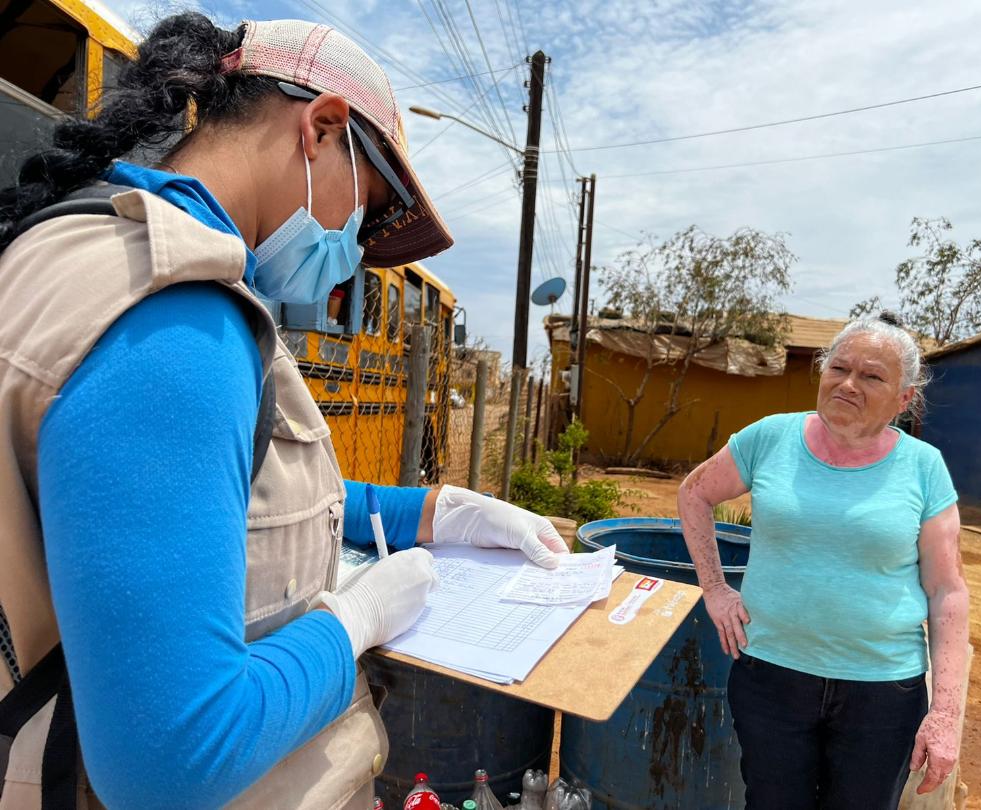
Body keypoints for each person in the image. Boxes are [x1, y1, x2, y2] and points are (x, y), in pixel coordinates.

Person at [0, 14, 567, 809]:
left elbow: (232, 499)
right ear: (322, 128)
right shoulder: (175, 327)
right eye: (363, 216)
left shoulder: (82, 248)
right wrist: (353, 623)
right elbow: (172, 760)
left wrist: (441, 512)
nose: (351, 257)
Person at [677, 313, 969, 810]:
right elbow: (694, 494)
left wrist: (944, 714)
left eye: (872, 376)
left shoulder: (924, 467)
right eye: (839, 368)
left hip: (883, 692)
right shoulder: (769, 438)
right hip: (772, 677)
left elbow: (948, 592)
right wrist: (716, 588)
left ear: (904, 399)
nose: (849, 384)